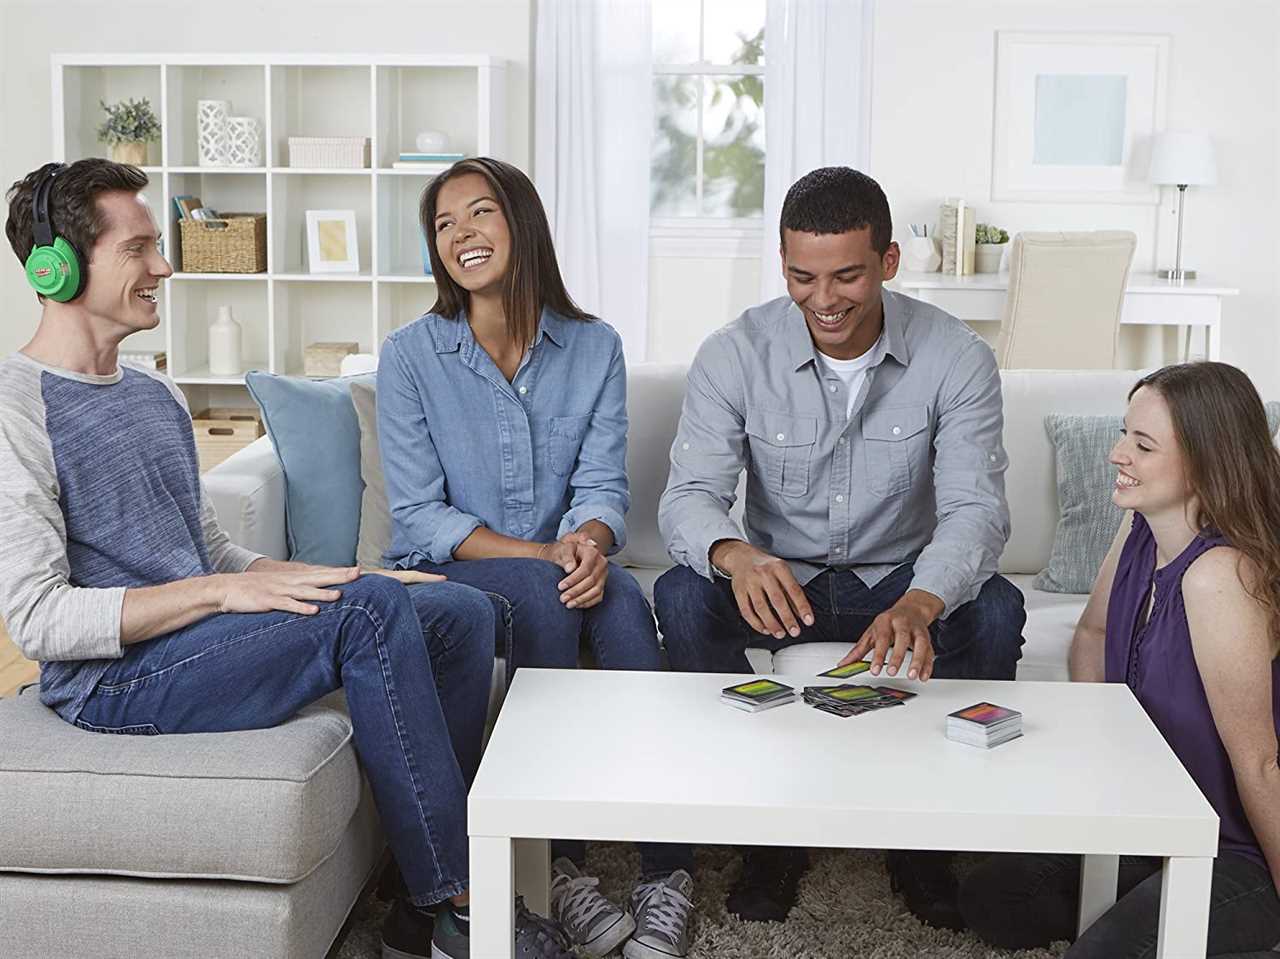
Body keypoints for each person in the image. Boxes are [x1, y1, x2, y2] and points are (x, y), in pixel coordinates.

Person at [0, 159, 574, 959]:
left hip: (191, 642)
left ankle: (418, 902)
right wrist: (217, 593)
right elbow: (38, 618)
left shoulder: (154, 394)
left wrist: (356, 575)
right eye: (139, 249)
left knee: (453, 606)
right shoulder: (17, 403)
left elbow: (211, 550)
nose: (163, 266)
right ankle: (461, 904)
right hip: (112, 675)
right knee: (369, 617)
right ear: (55, 264)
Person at [653, 166, 1026, 927]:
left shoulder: (956, 357)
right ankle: (766, 832)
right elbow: (688, 497)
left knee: (995, 610)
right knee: (680, 595)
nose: (823, 300)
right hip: (780, 586)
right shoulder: (735, 353)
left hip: (899, 584)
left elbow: (975, 510)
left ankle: (927, 840)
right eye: (802, 276)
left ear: (888, 262)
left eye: (847, 276)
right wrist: (735, 553)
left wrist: (923, 599)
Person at [376, 157, 693, 959]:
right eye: (443, 225)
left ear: (522, 225)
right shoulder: (412, 355)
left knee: (623, 606)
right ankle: (557, 868)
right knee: (545, 591)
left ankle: (666, 872)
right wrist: (547, 552)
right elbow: (420, 513)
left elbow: (602, 484)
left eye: (479, 213)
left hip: (561, 568)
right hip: (449, 572)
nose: (461, 235)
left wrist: (588, 541)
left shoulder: (594, 346)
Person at [958, 362, 1280, 957]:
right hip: (1151, 813)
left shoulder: (1219, 577)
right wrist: (1098, 762)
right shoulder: (1139, 528)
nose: (1116, 454)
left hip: (1231, 844)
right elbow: (1093, 632)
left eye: (1142, 443)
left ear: (1207, 460)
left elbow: (1261, 764)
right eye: (1123, 433)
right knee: (989, 897)